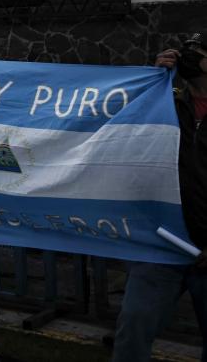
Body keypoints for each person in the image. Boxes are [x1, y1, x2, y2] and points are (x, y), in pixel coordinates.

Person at [112, 33, 207, 362]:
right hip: (163, 245)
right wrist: (154, 79)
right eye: (186, 51)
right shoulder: (168, 100)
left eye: (196, 52)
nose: (188, 57)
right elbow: (129, 133)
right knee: (132, 332)